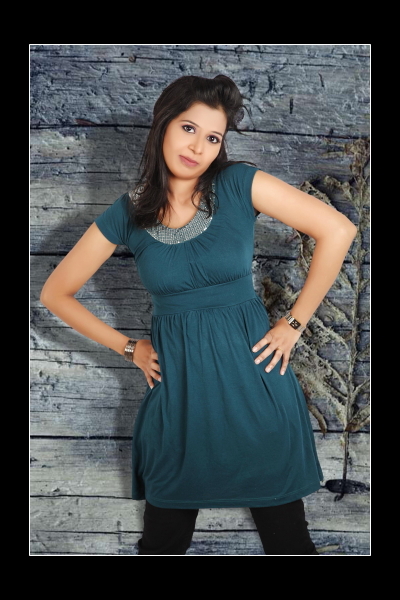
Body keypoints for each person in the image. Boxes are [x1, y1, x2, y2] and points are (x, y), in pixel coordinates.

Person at [40, 74, 357, 556]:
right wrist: (129, 347)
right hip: (180, 400)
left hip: (257, 390)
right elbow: (55, 292)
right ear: (163, 125)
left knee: (289, 542)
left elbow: (337, 230)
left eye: (213, 137)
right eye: (189, 128)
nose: (198, 147)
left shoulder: (239, 183)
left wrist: (293, 324)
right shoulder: (129, 212)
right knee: (163, 543)